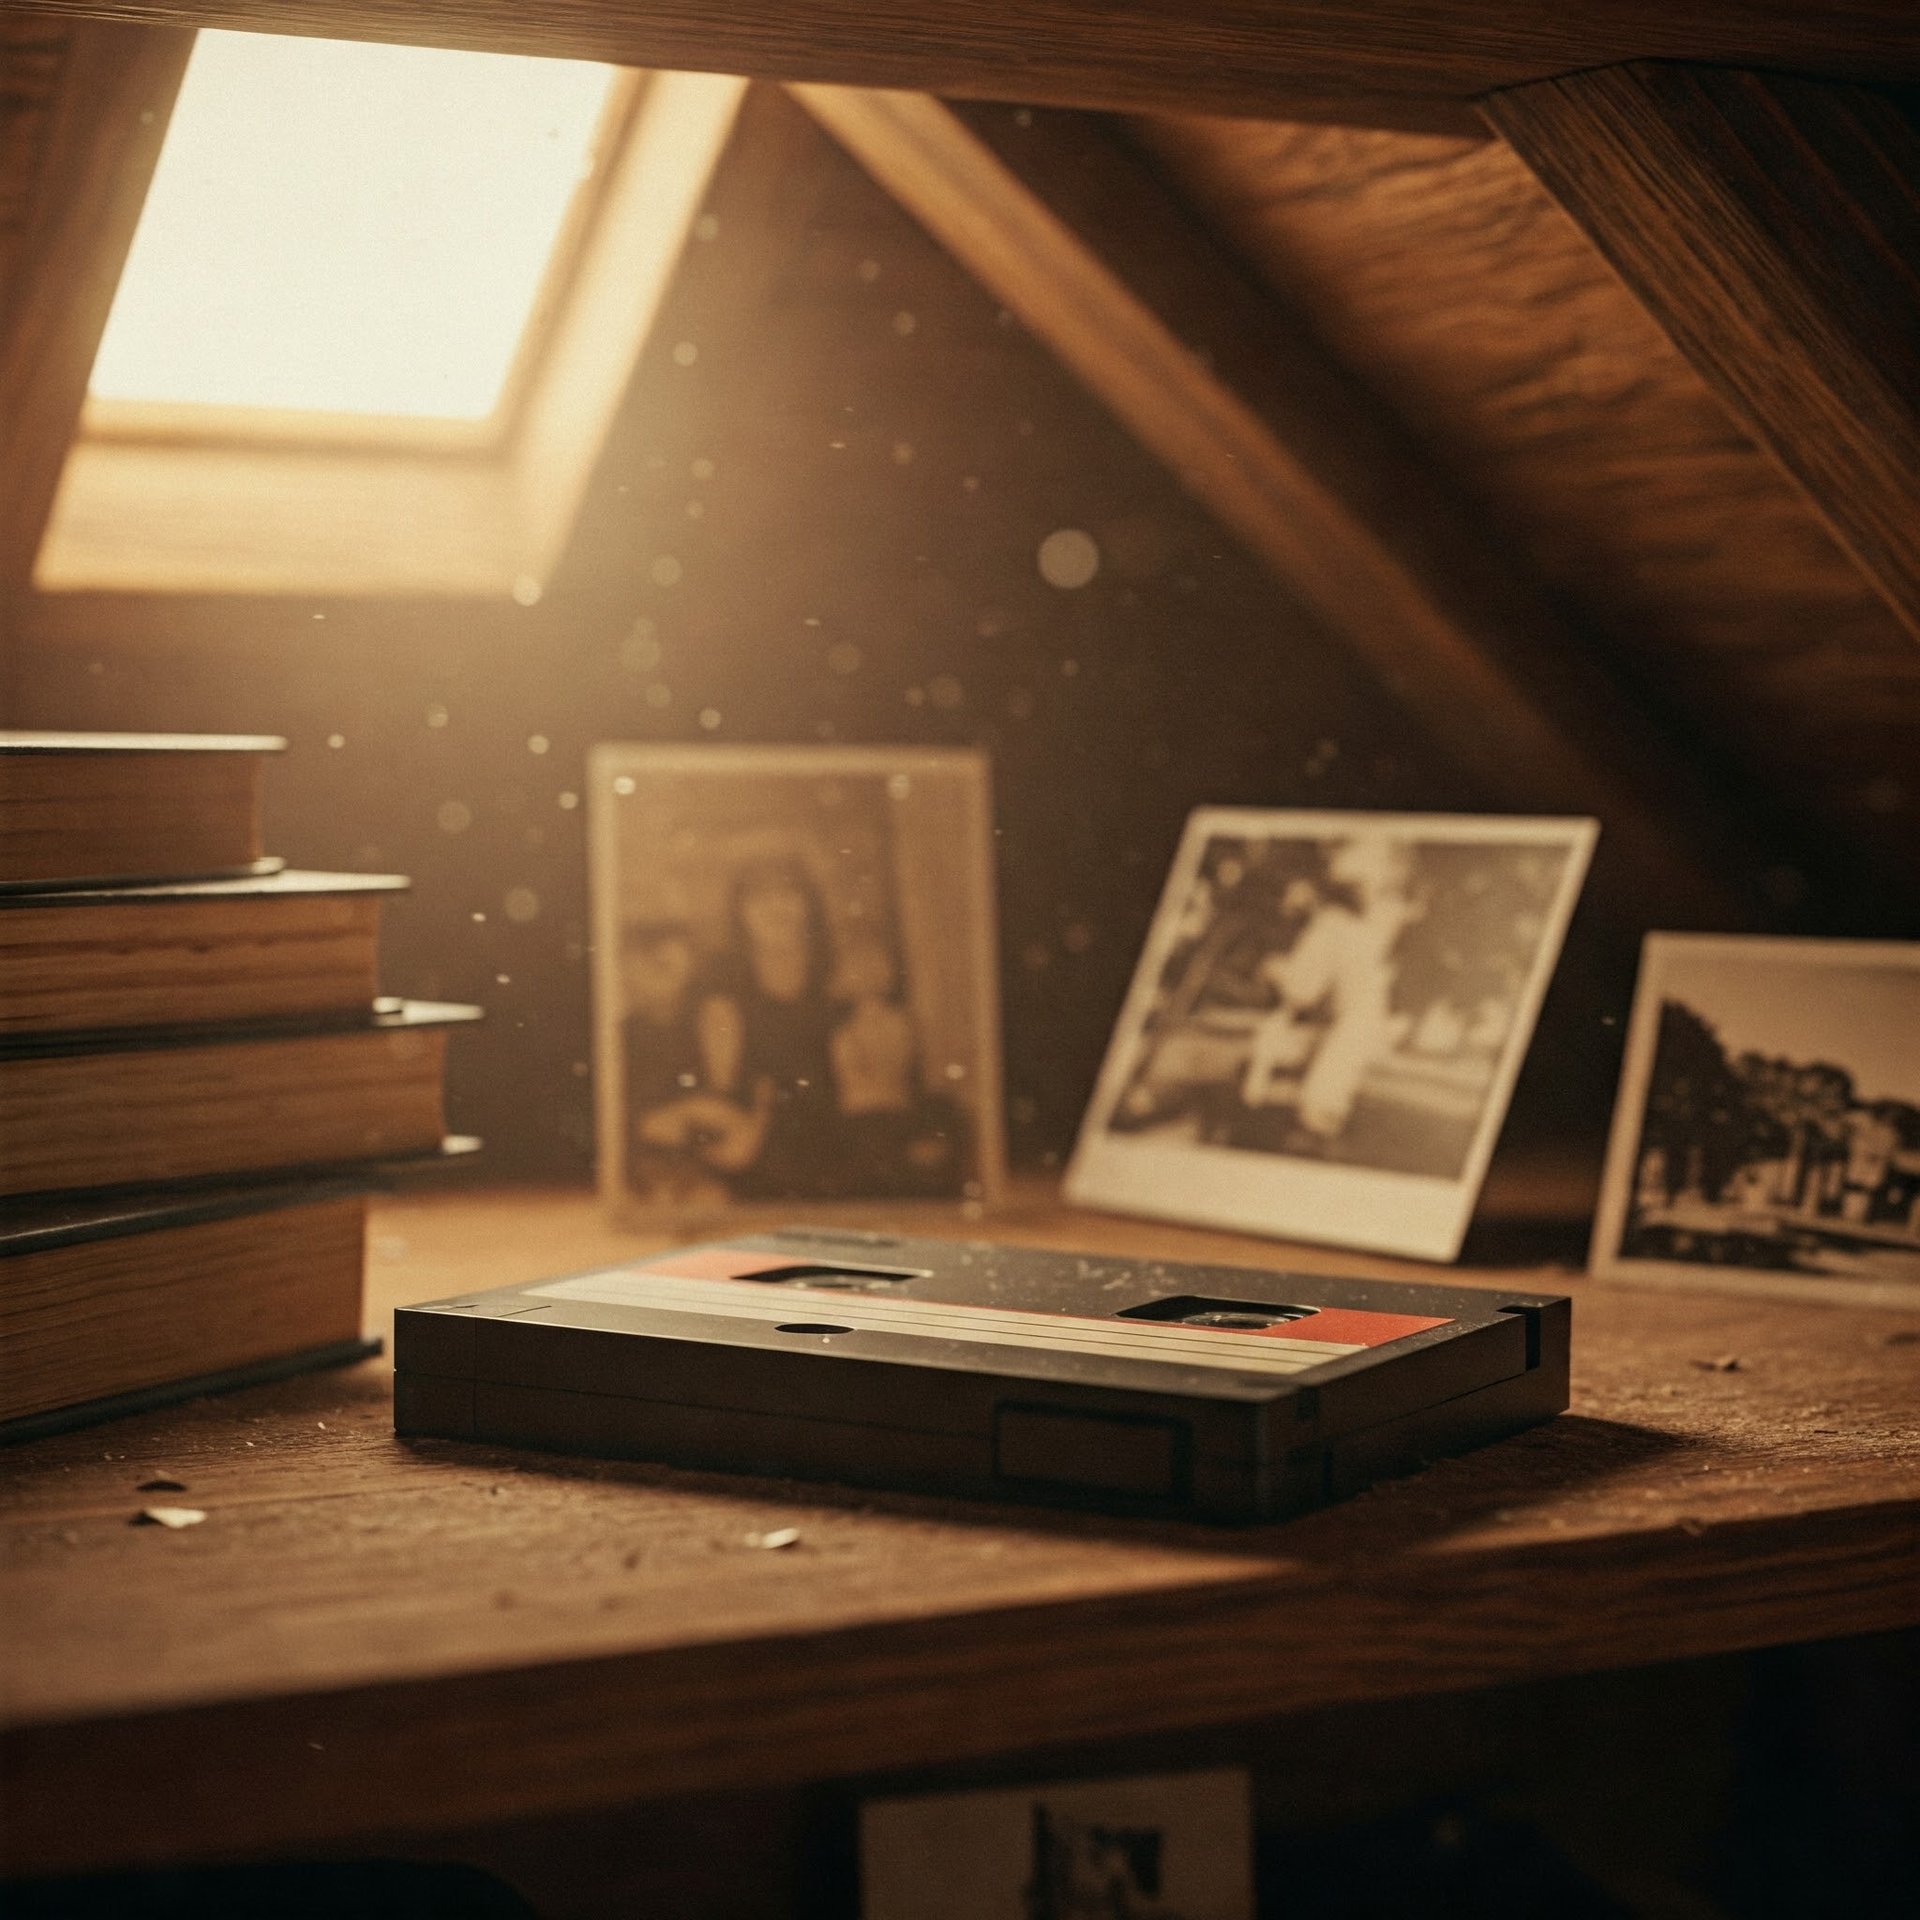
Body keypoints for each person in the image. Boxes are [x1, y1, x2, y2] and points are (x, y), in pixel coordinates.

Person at [1240, 835, 1418, 1148]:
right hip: (1337, 1019)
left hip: (1348, 1026)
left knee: (1336, 1037)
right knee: (1287, 1030)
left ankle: (1308, 1117)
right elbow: (1303, 991)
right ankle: (1296, 1113)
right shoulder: (1346, 924)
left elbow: (1303, 989)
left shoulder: (1346, 925)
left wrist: (1275, 971)